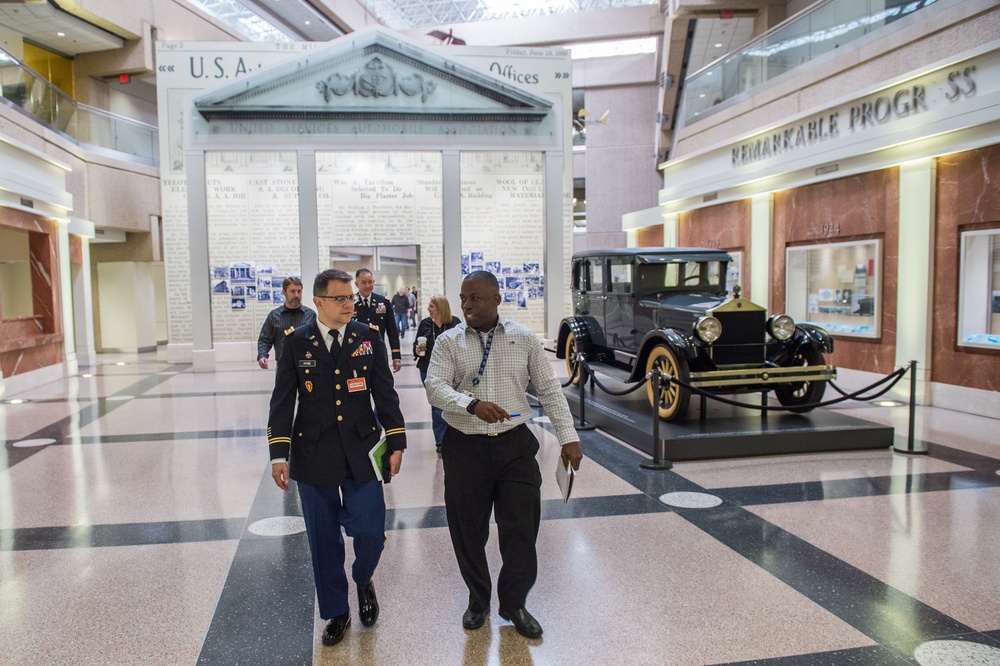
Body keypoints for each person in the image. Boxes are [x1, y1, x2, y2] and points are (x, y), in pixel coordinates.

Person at [425, 271, 583, 639]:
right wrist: (471, 404)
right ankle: (478, 600)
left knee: (521, 531)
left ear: (497, 299)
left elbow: (549, 390)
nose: (466, 305)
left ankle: (514, 602)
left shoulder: (524, 339)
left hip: (515, 447)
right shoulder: (448, 342)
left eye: (476, 298)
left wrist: (568, 436)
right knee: (468, 532)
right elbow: (434, 387)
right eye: (463, 298)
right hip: (465, 447)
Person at [267, 269, 406, 647]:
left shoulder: (367, 337)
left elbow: (385, 392)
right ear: (319, 303)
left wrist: (396, 440)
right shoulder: (296, 342)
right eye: (340, 298)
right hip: (313, 455)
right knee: (323, 540)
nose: (349, 303)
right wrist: (278, 453)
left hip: (361, 451)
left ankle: (363, 580)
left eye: (350, 297)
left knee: (370, 532)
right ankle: (336, 611)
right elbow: (282, 400)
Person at [412, 294, 461, 454]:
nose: (428, 309)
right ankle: (440, 442)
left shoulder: (455, 324)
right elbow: (416, 345)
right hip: (428, 369)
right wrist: (417, 350)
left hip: (451, 371)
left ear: (440, 308)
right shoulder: (425, 324)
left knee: (452, 404)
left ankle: (453, 438)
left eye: (431, 306)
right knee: (437, 405)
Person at [256, 277, 316, 369]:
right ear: (284, 292)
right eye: (292, 291)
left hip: (306, 365)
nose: (296, 295)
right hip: (283, 365)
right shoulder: (274, 316)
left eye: (299, 291)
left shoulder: (310, 315)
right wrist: (262, 356)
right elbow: (265, 339)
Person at [353, 268, 402, 373]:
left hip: (378, 351)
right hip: (357, 352)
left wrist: (396, 356)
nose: (367, 286)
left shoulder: (383, 302)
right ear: (356, 284)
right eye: (363, 282)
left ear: (373, 282)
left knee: (382, 384)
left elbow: (392, 330)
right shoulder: (351, 303)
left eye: (370, 282)